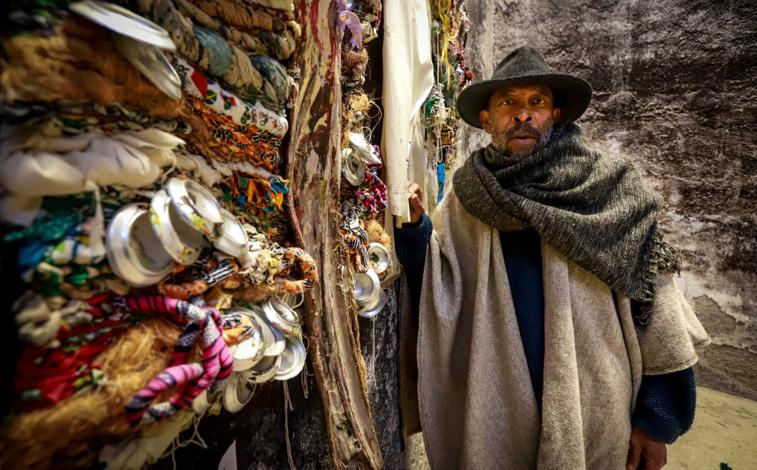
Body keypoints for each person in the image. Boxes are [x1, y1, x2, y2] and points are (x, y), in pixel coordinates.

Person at [394, 47, 710, 470]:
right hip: (502, 403)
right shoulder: (468, 195)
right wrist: (415, 232)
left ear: (556, 114)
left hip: (595, 402)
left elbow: (656, 299)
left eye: (536, 102)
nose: (522, 114)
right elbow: (440, 278)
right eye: (508, 103)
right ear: (487, 120)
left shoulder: (607, 186)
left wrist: (658, 419)